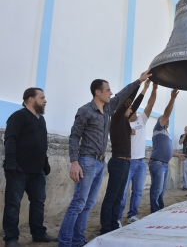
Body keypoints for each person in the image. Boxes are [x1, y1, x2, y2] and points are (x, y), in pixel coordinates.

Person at [57, 69, 151, 247]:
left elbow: (124, 94)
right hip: (86, 161)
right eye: (107, 90)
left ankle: (77, 240)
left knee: (88, 204)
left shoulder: (107, 109)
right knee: (78, 203)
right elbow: (74, 136)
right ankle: (64, 242)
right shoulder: (85, 111)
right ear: (97, 92)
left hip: (100, 162)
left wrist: (139, 81)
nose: (111, 92)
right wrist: (74, 162)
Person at [3, 88, 58, 247]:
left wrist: (45, 162)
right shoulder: (18, 116)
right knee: (13, 205)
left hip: (37, 171)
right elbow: (10, 139)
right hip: (18, 169)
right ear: (31, 99)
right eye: (42, 98)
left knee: (38, 202)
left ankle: (38, 233)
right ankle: (11, 239)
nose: (45, 101)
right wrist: (10, 161)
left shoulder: (41, 120)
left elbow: (41, 143)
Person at [99, 79, 149, 234]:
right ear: (123, 109)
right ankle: (106, 227)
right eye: (129, 109)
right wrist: (140, 84)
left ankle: (114, 225)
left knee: (119, 196)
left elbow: (134, 104)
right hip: (118, 162)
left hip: (126, 164)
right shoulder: (116, 119)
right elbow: (130, 101)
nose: (132, 110)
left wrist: (145, 89)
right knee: (112, 196)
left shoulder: (126, 123)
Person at [118, 81, 158, 225]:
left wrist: (154, 88)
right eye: (130, 109)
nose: (133, 110)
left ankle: (132, 215)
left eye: (134, 108)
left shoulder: (142, 119)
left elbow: (151, 104)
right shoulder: (123, 124)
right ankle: (117, 218)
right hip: (127, 162)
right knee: (122, 193)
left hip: (141, 162)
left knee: (138, 192)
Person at [149, 88, 186, 213]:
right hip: (158, 163)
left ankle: (159, 210)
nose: (168, 121)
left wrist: (176, 155)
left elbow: (166, 150)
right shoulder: (159, 127)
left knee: (162, 189)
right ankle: (155, 211)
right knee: (157, 189)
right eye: (166, 120)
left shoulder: (167, 134)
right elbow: (167, 113)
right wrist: (172, 98)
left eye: (169, 121)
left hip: (164, 164)